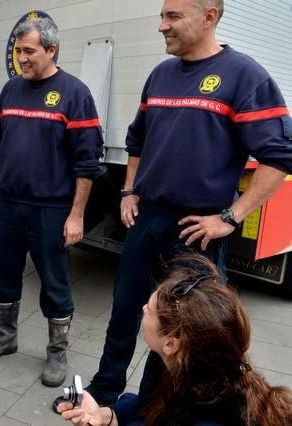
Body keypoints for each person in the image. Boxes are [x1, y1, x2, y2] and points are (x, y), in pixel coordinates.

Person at [86, 0, 292, 405]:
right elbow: (137, 141)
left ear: (209, 16)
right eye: (162, 16)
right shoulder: (161, 75)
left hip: (196, 230)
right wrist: (129, 190)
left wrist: (231, 218)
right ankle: (103, 391)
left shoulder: (244, 76)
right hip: (147, 218)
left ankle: (152, 406)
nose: (162, 26)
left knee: (181, 329)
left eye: (173, 16)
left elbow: (279, 157)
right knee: (125, 310)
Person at [0, 17, 104, 387]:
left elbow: (86, 164)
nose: (21, 58)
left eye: (29, 51)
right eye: (17, 51)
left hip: (51, 209)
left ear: (51, 50)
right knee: (3, 275)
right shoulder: (11, 90)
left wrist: (76, 215)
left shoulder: (75, 94)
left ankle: (57, 352)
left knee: (55, 282)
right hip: (10, 204)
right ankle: (4, 337)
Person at [57, 254, 292, 425]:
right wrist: (106, 416)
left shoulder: (208, 416)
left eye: (149, 310)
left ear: (171, 343)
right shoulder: (196, 367)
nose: (143, 309)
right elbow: (148, 404)